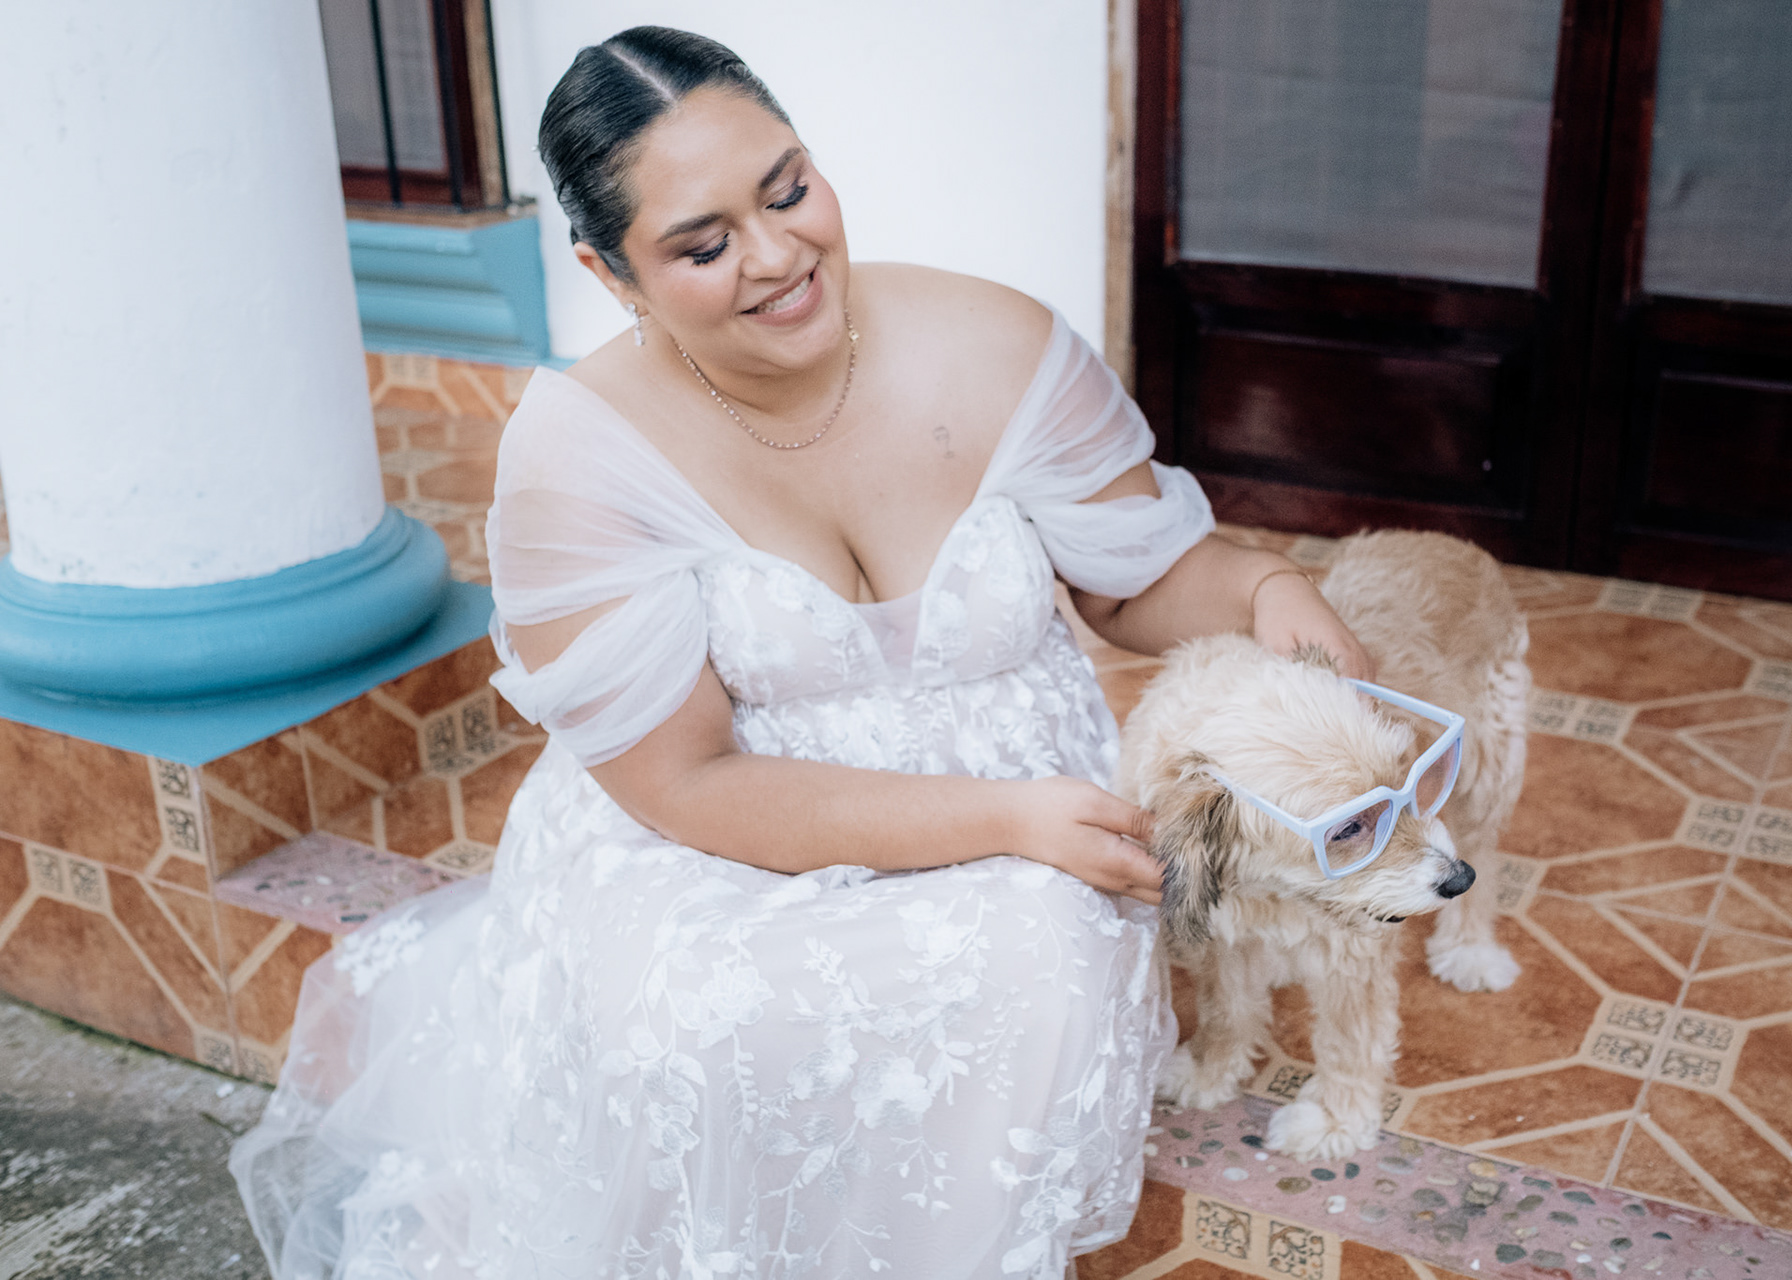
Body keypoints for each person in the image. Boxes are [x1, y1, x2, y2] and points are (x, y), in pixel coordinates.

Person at [230, 25, 1371, 1280]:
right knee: (698, 1021)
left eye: (788, 191)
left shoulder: (998, 341)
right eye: (703, 245)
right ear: (611, 273)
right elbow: (686, 779)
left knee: (1042, 933)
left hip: (1030, 833)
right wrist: (1007, 818)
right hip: (722, 841)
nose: (779, 256)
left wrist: (1264, 586)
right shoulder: (579, 457)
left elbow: (1134, 573)